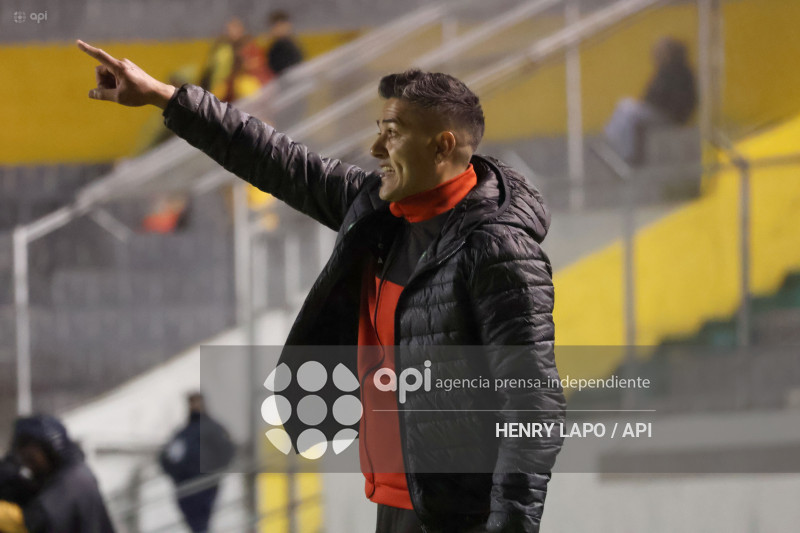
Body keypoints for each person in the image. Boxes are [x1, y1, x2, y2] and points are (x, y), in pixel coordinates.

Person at [77, 39, 565, 533]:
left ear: (442, 145)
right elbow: (274, 158)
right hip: (397, 501)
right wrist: (166, 97)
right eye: (379, 131)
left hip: (461, 519)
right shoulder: (379, 210)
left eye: (391, 135)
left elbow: (534, 406)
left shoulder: (499, 250)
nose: (375, 149)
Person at [0, 415, 115, 533]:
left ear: (47, 450)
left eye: (30, 457)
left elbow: (34, 524)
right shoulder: (72, 473)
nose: (28, 465)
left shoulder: (72, 480)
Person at [604, 36, 697, 166]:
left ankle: (623, 149)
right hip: (659, 111)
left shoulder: (678, 73)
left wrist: (650, 103)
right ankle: (615, 140)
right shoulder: (665, 71)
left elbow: (668, 98)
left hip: (669, 115)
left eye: (661, 51)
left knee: (627, 109)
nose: (656, 55)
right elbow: (650, 95)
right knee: (626, 107)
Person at [159, 393, 235, 533]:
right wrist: (178, 475)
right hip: (186, 489)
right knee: (196, 525)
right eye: (192, 403)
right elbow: (165, 459)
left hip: (206, 485)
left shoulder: (214, 429)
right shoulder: (182, 434)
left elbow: (227, 451)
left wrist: (211, 472)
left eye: (197, 403)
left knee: (201, 524)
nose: (195, 406)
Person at [264, 10, 304, 76]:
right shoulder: (276, 47)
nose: (282, 29)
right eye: (278, 26)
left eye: (284, 25)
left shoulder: (292, 43)